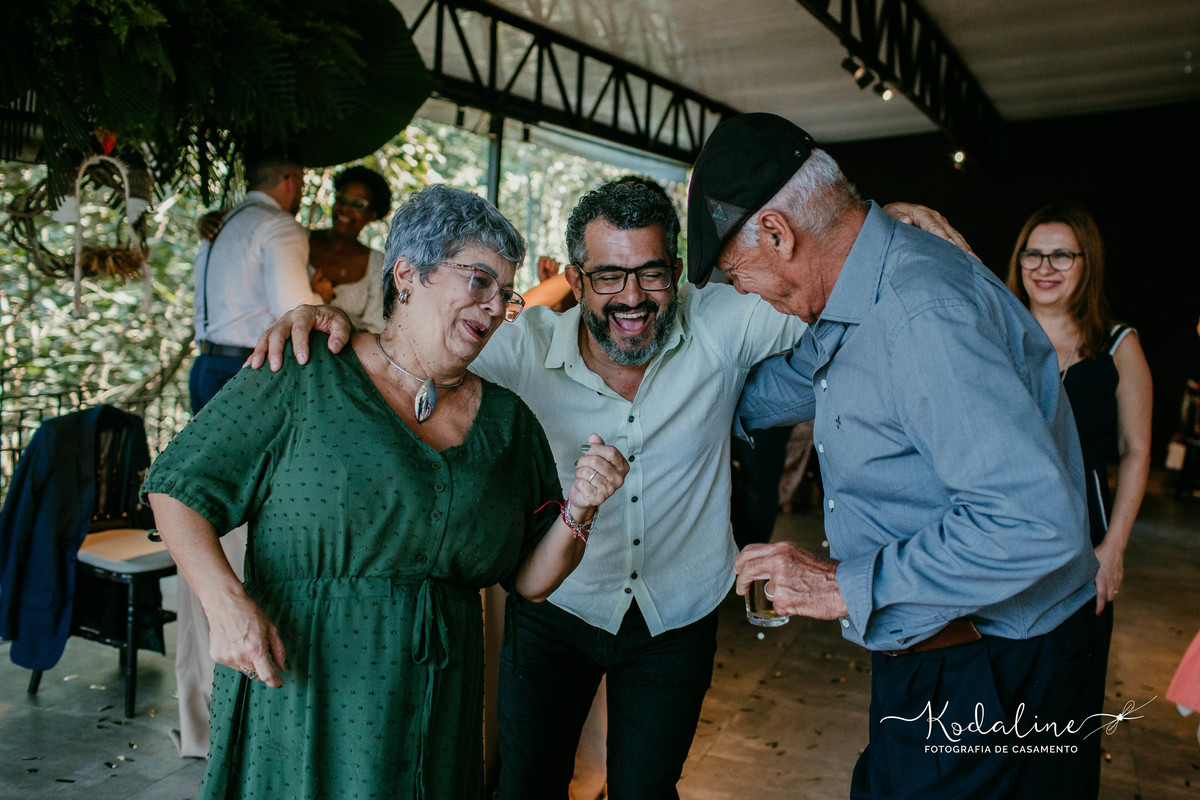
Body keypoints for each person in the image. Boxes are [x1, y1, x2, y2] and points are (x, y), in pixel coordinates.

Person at [251, 181, 971, 799]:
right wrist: (331, 320)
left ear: (679, 272)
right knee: (526, 786)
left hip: (677, 618)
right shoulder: (524, 348)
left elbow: (826, 283)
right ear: (575, 275)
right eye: (608, 277)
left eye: (652, 274)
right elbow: (411, 348)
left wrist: (875, 222)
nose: (632, 298)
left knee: (646, 792)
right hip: (558, 609)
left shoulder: (722, 322)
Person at [144, 184, 628, 799]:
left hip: (437, 712)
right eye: (478, 280)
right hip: (308, 697)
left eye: (505, 293)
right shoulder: (306, 370)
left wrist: (582, 508)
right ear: (407, 274)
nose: (495, 305)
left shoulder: (507, 423)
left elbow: (530, 579)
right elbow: (177, 486)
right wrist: (225, 604)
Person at [690, 113, 1103, 799]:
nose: (743, 294)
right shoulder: (861, 297)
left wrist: (840, 586)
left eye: (737, 275)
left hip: (990, 669)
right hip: (932, 649)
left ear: (776, 232)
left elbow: (1033, 522)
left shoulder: (919, 310)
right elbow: (763, 395)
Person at [1005, 203, 1152, 674]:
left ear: (1087, 263)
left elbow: (1137, 449)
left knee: (1068, 681)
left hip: (1083, 542)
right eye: (1033, 255)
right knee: (995, 683)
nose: (1044, 268)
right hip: (998, 531)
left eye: (1062, 256)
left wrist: (1114, 548)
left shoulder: (1117, 344)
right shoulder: (992, 335)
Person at [200, 165, 392, 332]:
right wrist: (207, 221)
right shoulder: (298, 237)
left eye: (357, 205)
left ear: (372, 215)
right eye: (341, 199)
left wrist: (335, 325)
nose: (344, 209)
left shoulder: (377, 264)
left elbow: (376, 328)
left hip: (344, 365)